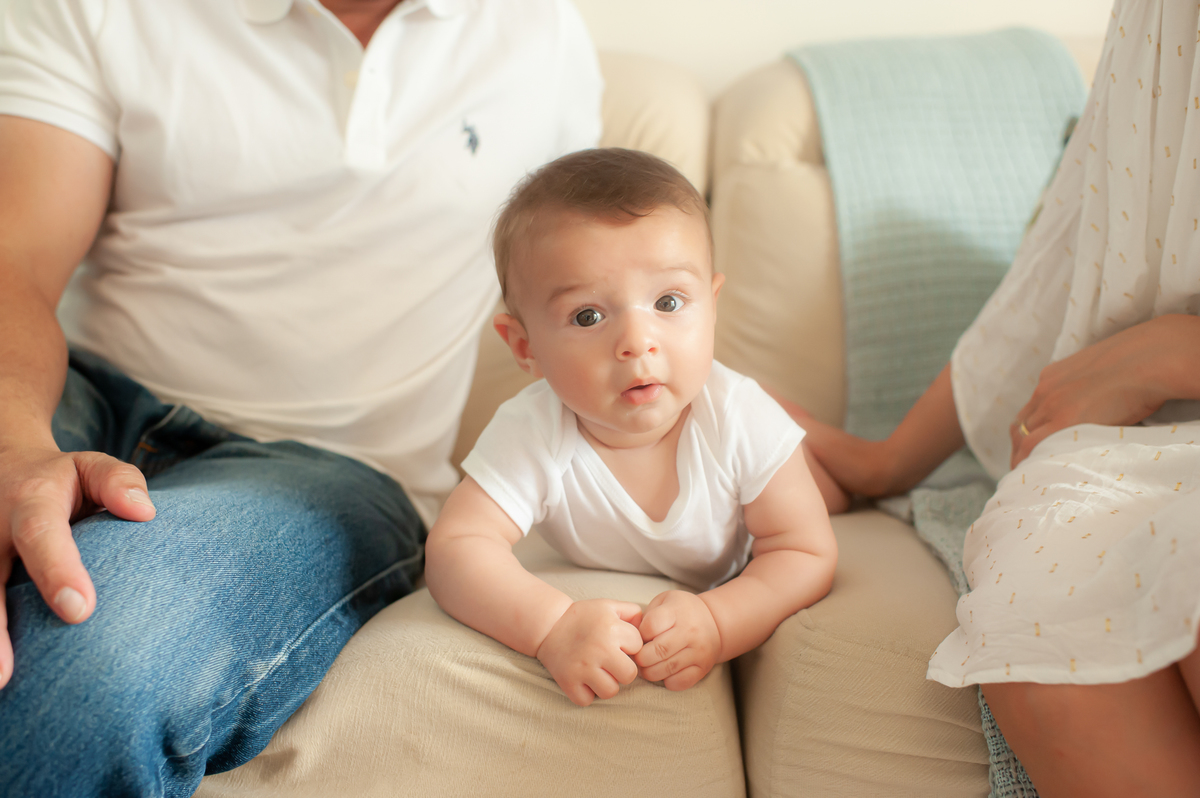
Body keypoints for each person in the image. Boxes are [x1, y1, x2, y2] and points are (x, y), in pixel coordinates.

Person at [0, 0, 601, 794]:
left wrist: (771, 439)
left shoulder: (538, 31)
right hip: (74, 398)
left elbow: (611, 297)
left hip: (330, 472)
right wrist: (11, 446)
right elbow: (15, 264)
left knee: (88, 659)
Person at [780, 1, 1200, 794]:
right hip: (1121, 442)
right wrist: (886, 461)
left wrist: (1179, 353)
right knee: (1039, 623)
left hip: (1159, 403)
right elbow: (1080, 233)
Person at [423, 148, 838, 707]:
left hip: (752, 502)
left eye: (668, 302)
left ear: (711, 307)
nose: (637, 342)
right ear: (525, 347)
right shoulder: (532, 429)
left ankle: (828, 446)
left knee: (830, 488)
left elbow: (805, 552)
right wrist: (551, 627)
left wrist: (718, 620)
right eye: (588, 316)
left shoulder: (738, 417)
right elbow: (456, 548)